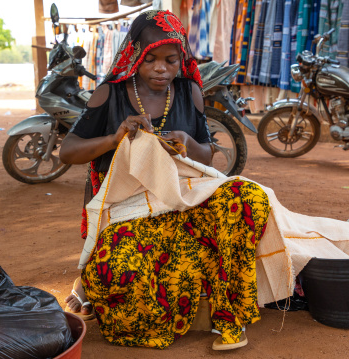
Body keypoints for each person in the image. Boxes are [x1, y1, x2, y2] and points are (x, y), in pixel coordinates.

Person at [59, 10, 270, 350]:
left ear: (181, 58)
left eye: (171, 60)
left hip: (181, 203)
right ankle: (90, 283)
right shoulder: (109, 95)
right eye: (150, 59)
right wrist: (114, 139)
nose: (161, 69)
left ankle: (229, 316)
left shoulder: (189, 92)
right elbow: (67, 152)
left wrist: (188, 143)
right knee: (121, 270)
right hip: (129, 212)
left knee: (247, 197)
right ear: (134, 54)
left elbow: (206, 154)